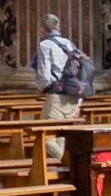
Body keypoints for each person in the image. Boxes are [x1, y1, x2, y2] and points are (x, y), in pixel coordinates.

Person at [33, 13, 87, 163]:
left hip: (56, 96)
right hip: (73, 96)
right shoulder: (69, 44)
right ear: (58, 28)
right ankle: (69, 170)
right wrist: (79, 103)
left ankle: (74, 163)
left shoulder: (45, 45)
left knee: (45, 137)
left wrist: (40, 90)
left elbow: (44, 76)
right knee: (63, 137)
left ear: (42, 30)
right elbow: (80, 73)